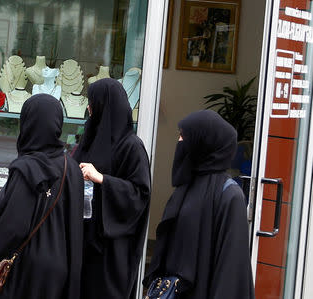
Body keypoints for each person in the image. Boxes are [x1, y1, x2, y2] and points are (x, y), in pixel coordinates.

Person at [0, 94, 84, 299]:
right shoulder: (71, 167)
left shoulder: (27, 168)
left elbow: (10, 230)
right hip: (60, 272)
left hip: (28, 273)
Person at [144, 110, 255, 299]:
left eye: (184, 136)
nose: (179, 142)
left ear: (203, 143)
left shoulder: (229, 195)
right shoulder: (187, 186)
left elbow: (231, 269)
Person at [73, 78, 151, 298]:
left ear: (104, 106)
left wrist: (103, 180)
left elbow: (140, 194)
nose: (89, 108)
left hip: (110, 250)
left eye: (93, 102)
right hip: (82, 241)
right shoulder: (89, 139)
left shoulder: (131, 146)